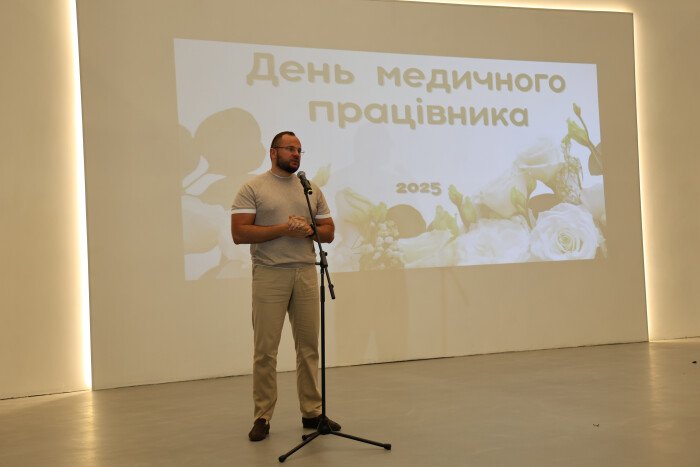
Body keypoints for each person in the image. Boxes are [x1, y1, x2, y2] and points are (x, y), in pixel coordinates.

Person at [230, 131, 341, 442]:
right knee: (265, 350)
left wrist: (307, 230)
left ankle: (312, 412)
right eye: (290, 149)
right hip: (270, 274)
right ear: (273, 152)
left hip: (306, 272)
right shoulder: (253, 188)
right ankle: (262, 416)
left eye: (299, 150)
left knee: (309, 348)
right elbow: (239, 233)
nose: (296, 154)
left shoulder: (309, 189)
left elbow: (329, 231)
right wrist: (283, 229)